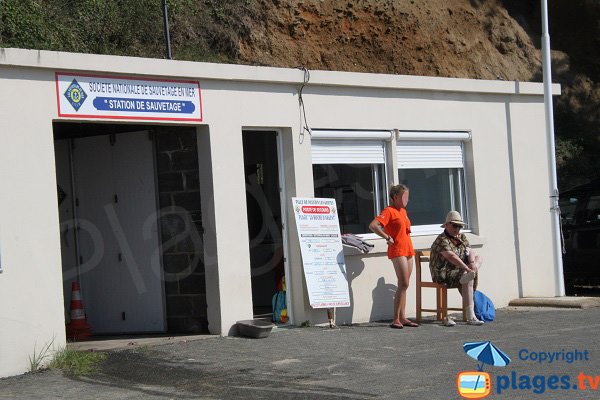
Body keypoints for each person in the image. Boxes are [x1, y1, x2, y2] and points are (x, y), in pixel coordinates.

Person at [368, 184, 418, 329]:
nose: (406, 199)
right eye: (404, 196)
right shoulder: (389, 211)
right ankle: (396, 318)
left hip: (408, 249)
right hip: (397, 249)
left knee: (405, 285)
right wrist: (386, 237)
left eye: (407, 196)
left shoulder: (403, 211)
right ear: (395, 197)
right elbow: (373, 225)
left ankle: (402, 317)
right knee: (404, 283)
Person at [429, 211, 484, 326]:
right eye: (455, 226)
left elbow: (470, 250)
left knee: (478, 258)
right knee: (467, 275)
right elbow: (451, 256)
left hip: (459, 270)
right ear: (447, 225)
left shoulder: (461, 237)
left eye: (459, 226)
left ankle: (470, 273)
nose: (457, 229)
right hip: (443, 273)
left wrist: (472, 263)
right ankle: (471, 316)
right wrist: (466, 267)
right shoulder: (441, 240)